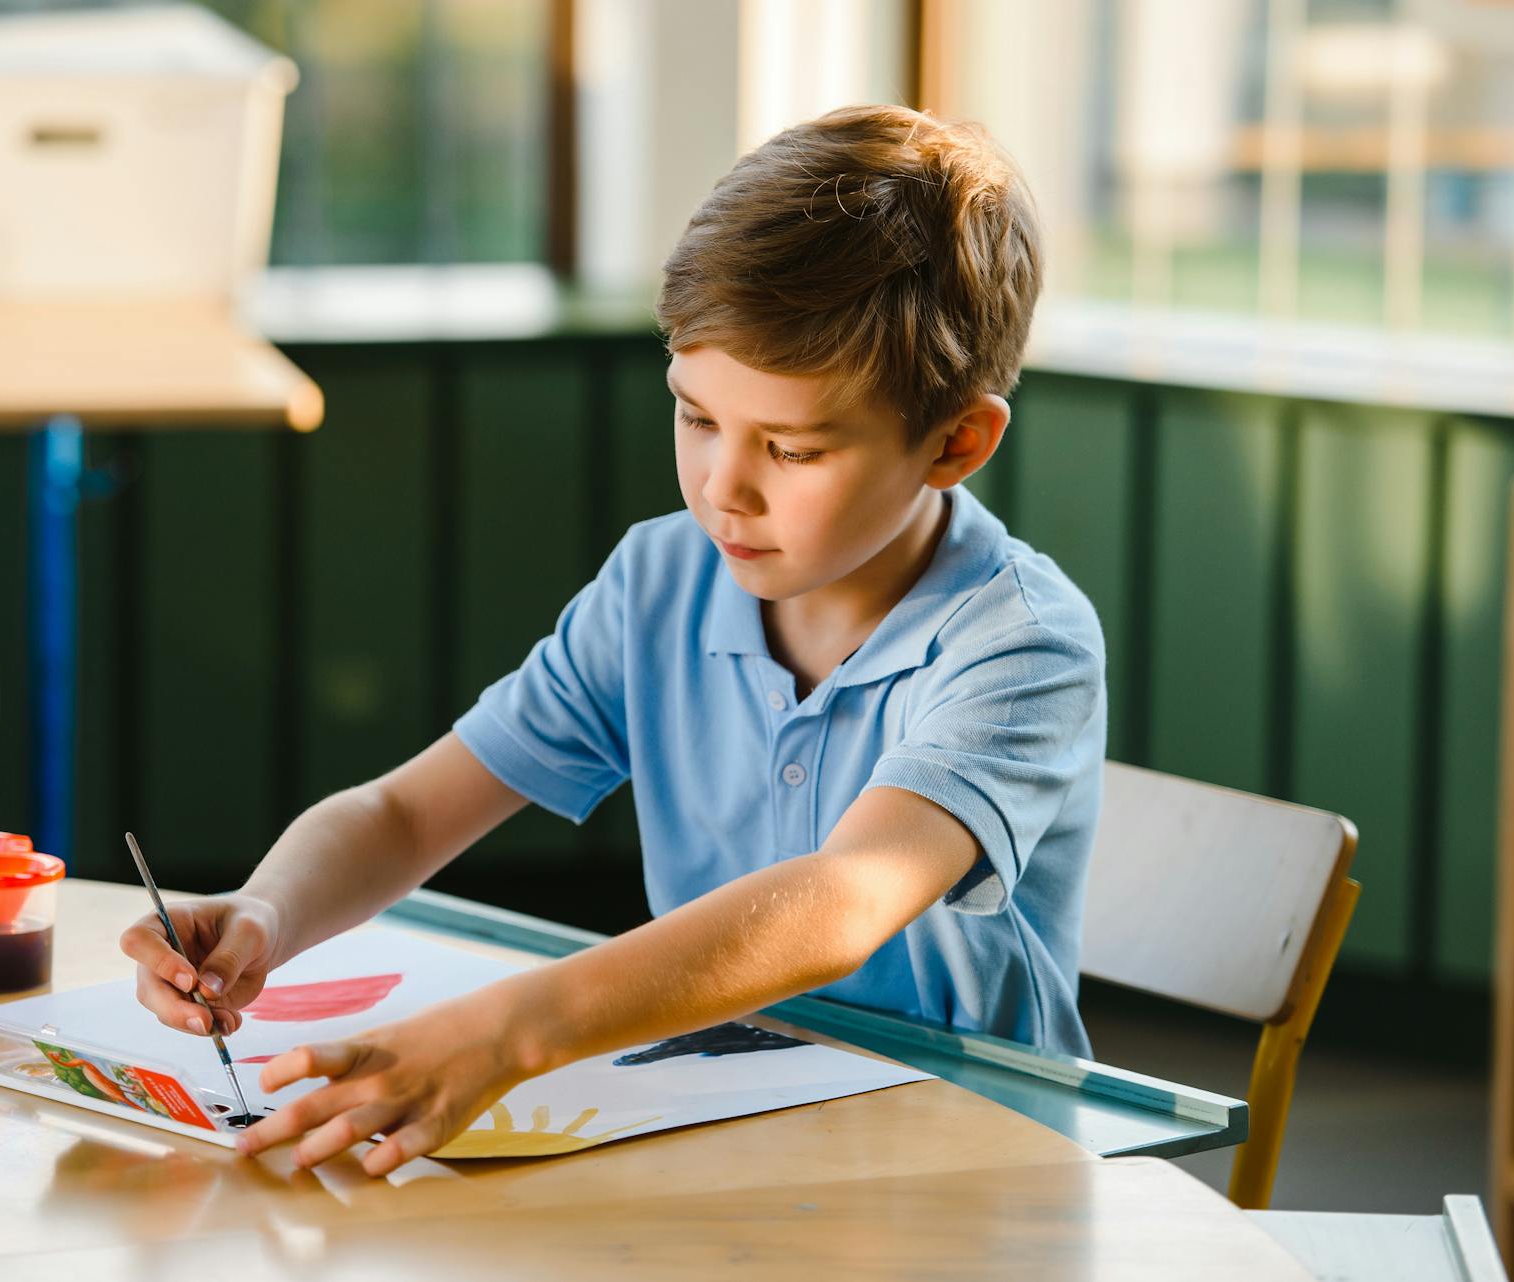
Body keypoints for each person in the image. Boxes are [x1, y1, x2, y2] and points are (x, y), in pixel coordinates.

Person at [122, 104, 1105, 1178]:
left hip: (969, 1163)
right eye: (695, 417)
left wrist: (508, 1027)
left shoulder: (1021, 643)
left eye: (791, 447)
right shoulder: (661, 581)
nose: (722, 489)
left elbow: (846, 899)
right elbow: (407, 811)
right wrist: (270, 909)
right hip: (712, 1129)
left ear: (956, 441)